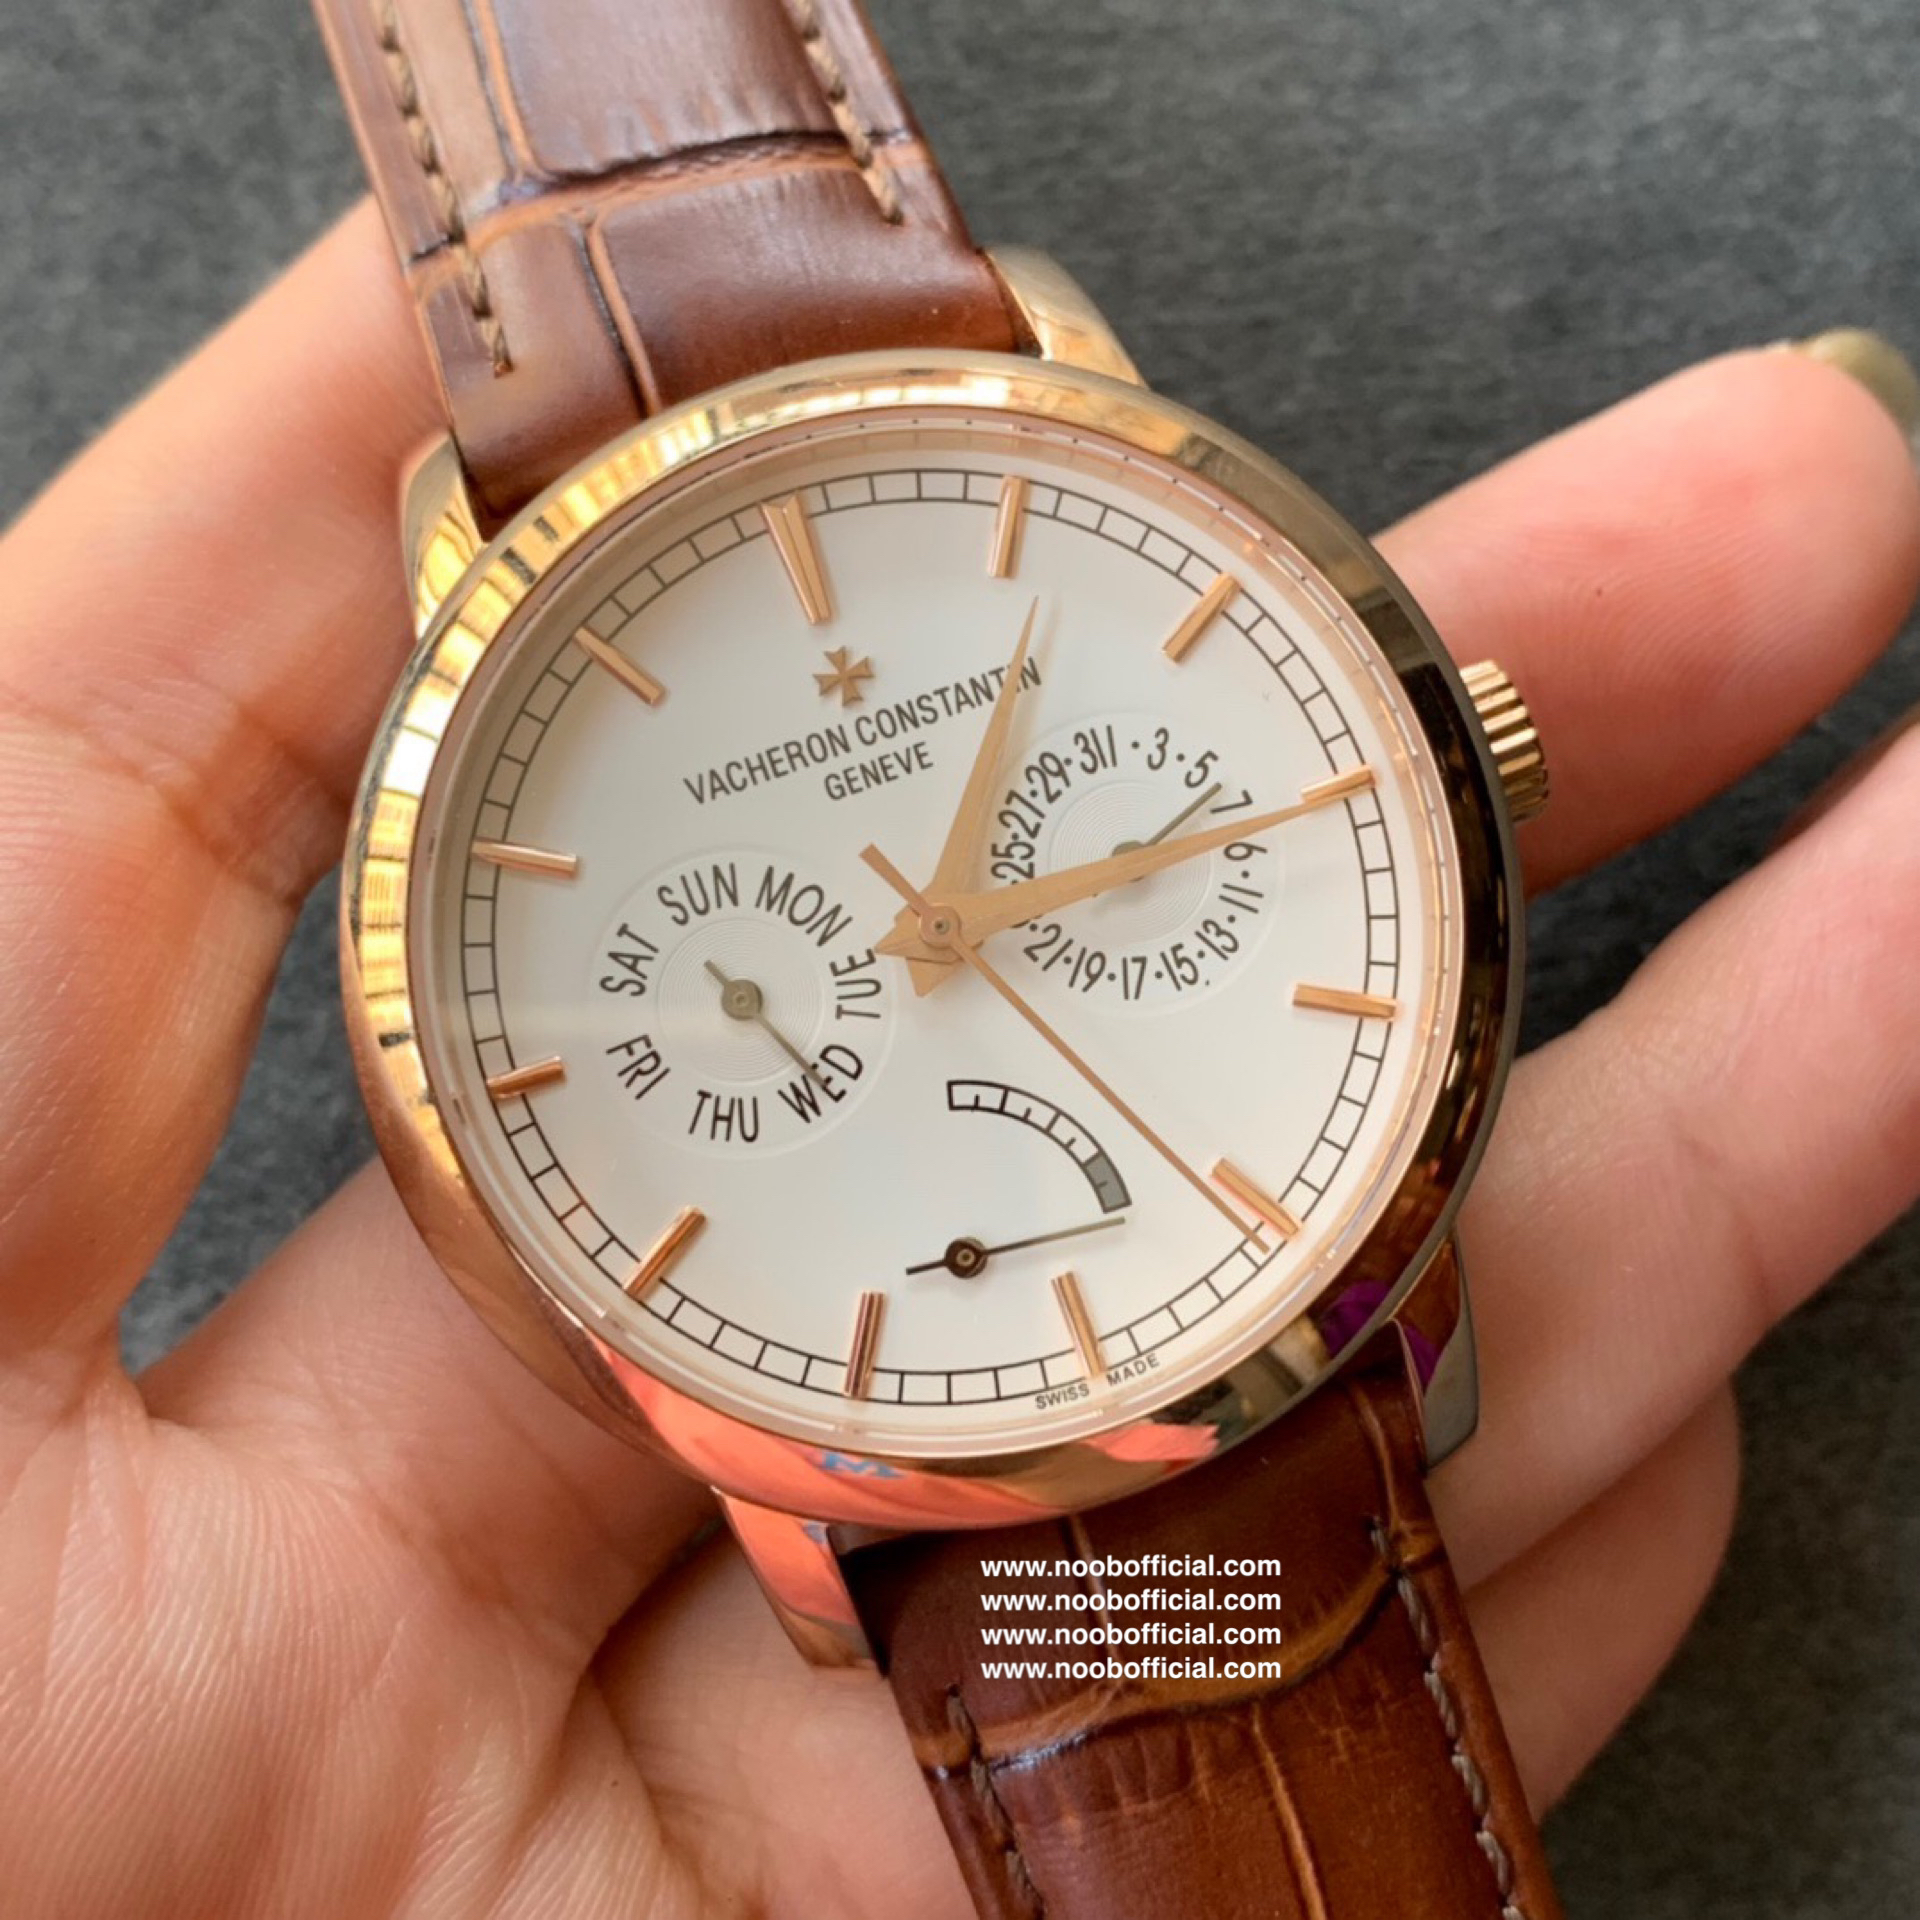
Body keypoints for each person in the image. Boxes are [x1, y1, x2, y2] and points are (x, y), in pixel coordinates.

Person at [0, 203, 1916, 1915]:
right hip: (898, 1445)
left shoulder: (1044, 378)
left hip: (1272, 1320)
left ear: (1461, 744)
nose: (931, 938)